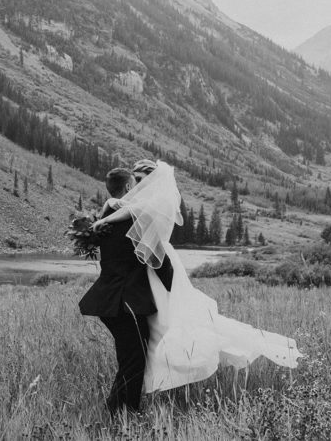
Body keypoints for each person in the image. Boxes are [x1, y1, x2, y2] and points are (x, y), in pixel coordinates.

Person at [121, 160, 303, 393]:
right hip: (152, 261)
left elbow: (147, 237)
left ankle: (162, 379)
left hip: (158, 260)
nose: (134, 184)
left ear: (150, 179)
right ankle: (154, 382)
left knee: (170, 320)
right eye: (133, 179)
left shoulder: (153, 202)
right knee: (160, 324)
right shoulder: (145, 201)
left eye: (138, 179)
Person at [78, 167, 173, 416]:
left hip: (107, 300)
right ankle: (126, 411)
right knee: (135, 359)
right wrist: (174, 290)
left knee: (129, 357)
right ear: (130, 188)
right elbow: (159, 260)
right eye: (137, 185)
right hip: (126, 301)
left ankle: (117, 408)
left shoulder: (106, 216)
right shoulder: (134, 220)